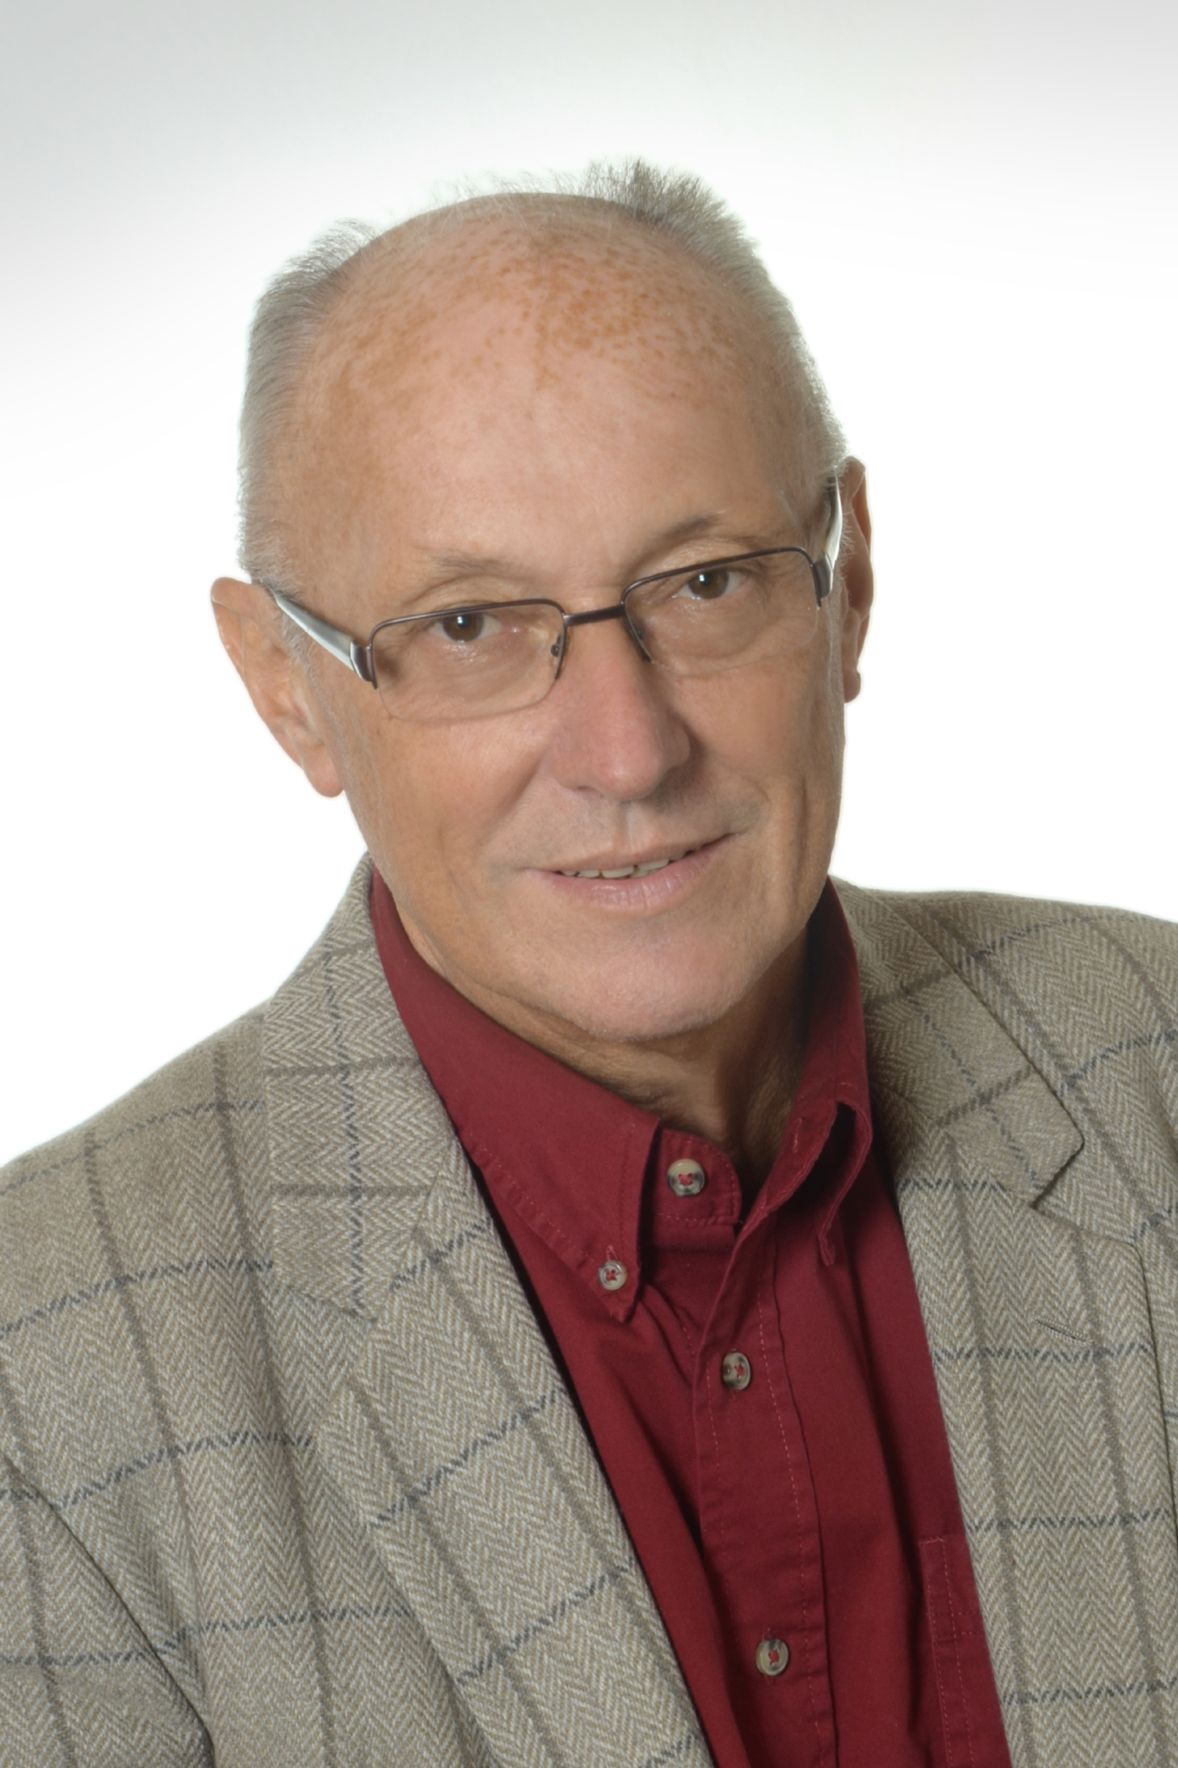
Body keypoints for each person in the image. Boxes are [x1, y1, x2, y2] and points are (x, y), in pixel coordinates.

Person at [2, 161, 1176, 1768]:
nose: (626, 751)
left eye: (705, 583)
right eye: (469, 626)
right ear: (285, 685)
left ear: (846, 588)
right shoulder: (44, 1383)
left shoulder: (1153, 1069)